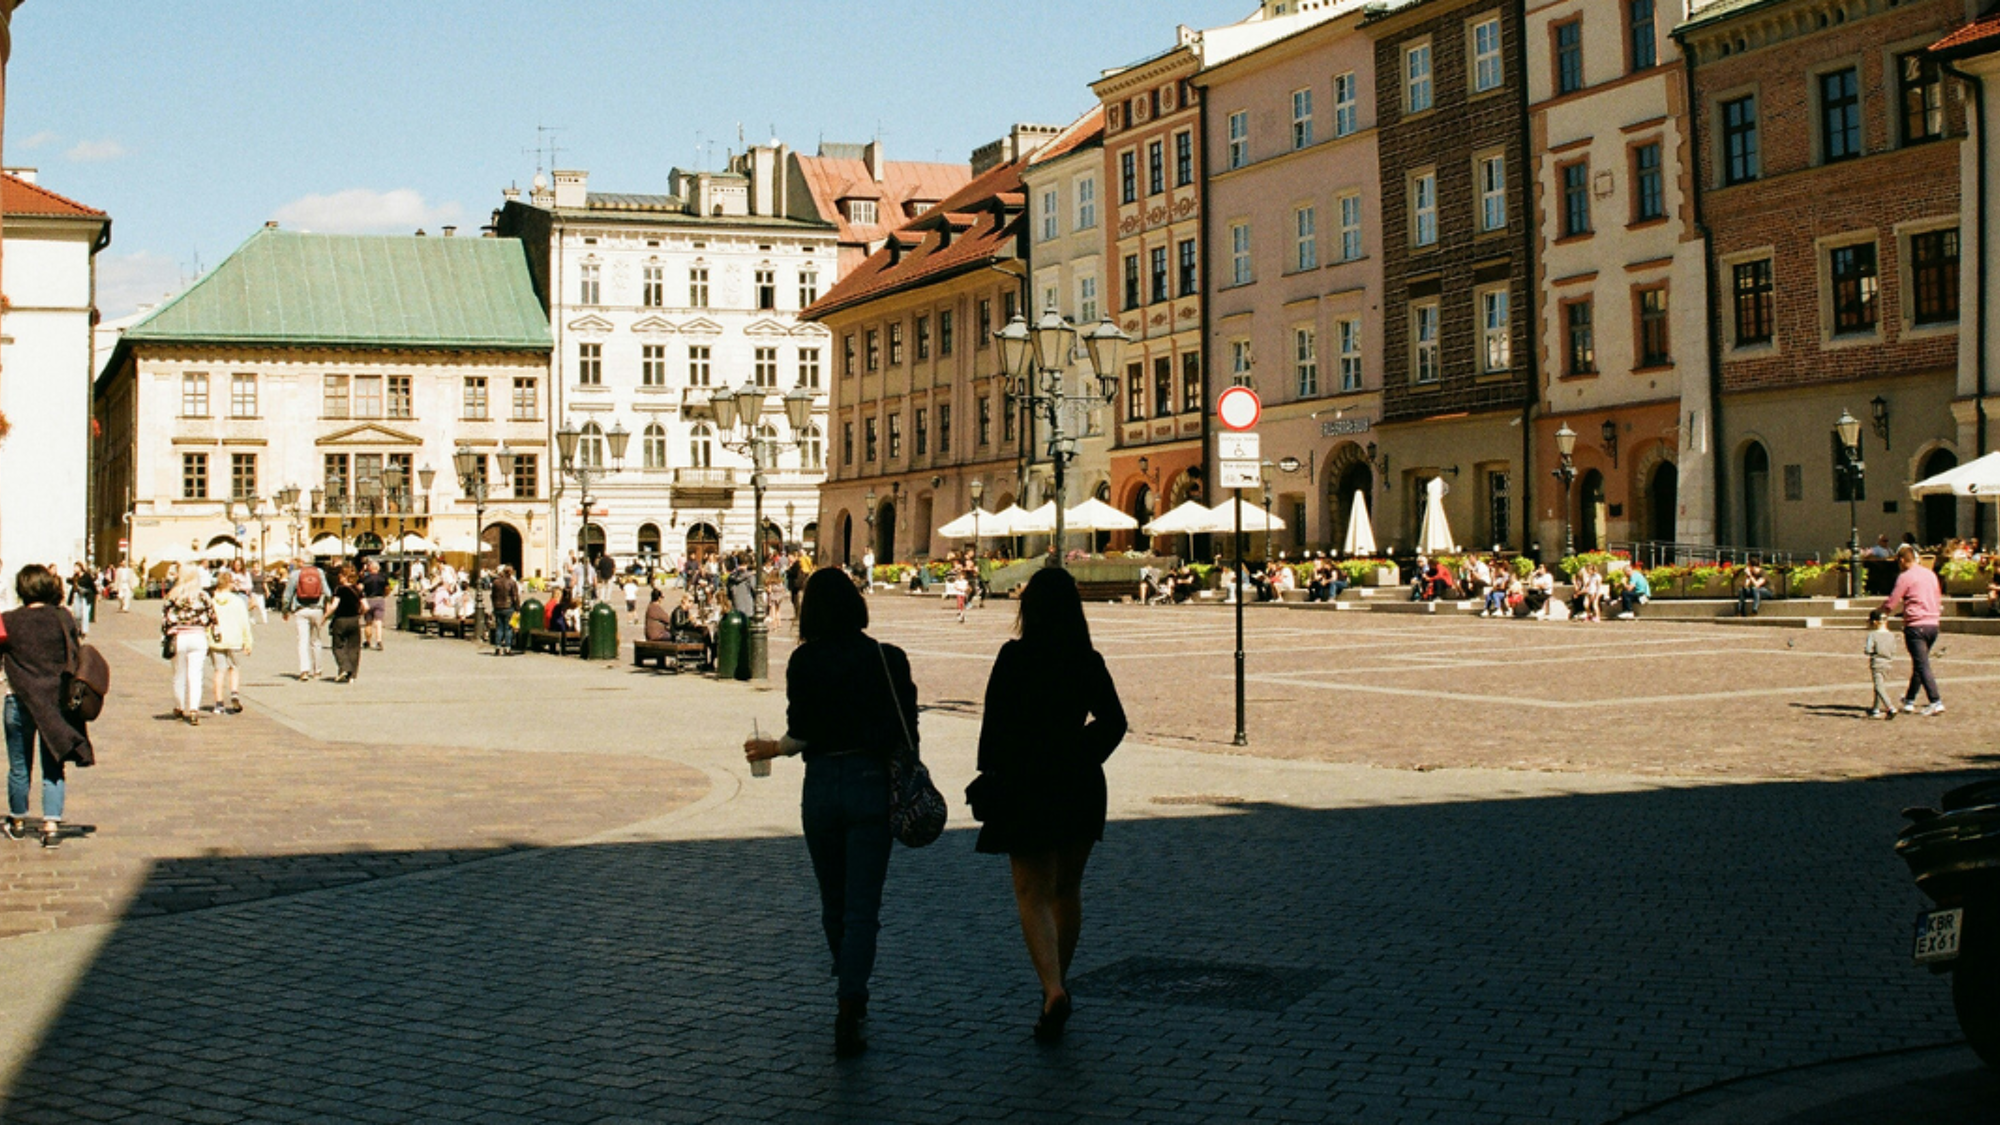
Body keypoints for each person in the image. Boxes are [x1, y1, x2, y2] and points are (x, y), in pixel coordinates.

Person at [742, 568, 918, 1059]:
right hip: (870, 784)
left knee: (833, 901)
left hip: (820, 788)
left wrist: (772, 749)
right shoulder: (888, 659)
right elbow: (907, 733)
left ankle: (847, 981)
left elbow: (803, 735)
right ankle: (851, 1002)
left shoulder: (804, 661)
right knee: (864, 907)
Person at [966, 567, 1127, 1044]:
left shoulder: (1014, 657)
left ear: (1028, 608)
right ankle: (1056, 984)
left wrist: (993, 771)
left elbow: (992, 726)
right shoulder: (1086, 658)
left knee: (1031, 893)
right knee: (1067, 890)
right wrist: (1079, 753)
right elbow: (1114, 722)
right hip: (1079, 786)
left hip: (1025, 784)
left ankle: (1053, 987)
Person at [1, 565, 93, 848]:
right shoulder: (61, 617)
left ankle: (17, 821)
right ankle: (51, 824)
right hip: (54, 702)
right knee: (53, 763)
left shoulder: (7, 620)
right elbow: (75, 653)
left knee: (19, 765)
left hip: (18, 699)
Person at [1881, 545, 1945, 715]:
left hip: (1916, 625)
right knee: (1920, 663)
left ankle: (1935, 700)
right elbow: (1938, 596)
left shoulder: (1905, 577)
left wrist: (1880, 612)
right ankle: (1909, 700)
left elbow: (1893, 601)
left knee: (1922, 664)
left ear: (1902, 560)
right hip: (1933, 623)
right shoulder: (1930, 574)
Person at [162, 568, 218, 725]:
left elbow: (165, 620)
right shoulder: (203, 596)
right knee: (196, 675)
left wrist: (166, 636)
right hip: (198, 636)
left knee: (179, 674)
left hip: (178, 637)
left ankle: (180, 707)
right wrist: (214, 633)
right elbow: (213, 617)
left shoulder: (173, 595)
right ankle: (194, 709)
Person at [208, 571, 255, 714]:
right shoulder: (237, 601)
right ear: (230, 584)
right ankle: (234, 693)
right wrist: (248, 642)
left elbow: (207, 622)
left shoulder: (212, 601)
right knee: (234, 667)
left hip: (216, 640)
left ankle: (219, 704)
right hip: (234, 639)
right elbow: (244, 623)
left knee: (219, 671)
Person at [283, 556, 327, 681]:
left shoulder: (296, 574)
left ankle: (304, 671)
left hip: (301, 610)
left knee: (303, 641)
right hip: (317, 609)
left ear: (302, 562)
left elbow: (287, 595)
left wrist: (285, 610)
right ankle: (317, 671)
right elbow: (327, 592)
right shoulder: (320, 573)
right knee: (316, 641)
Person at [327, 566, 365, 683]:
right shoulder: (358, 589)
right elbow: (366, 606)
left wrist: (325, 617)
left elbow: (334, 606)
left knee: (338, 646)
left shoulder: (340, 589)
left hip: (341, 620)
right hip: (354, 620)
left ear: (344, 576)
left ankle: (344, 667)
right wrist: (359, 613)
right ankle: (352, 675)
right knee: (354, 648)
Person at [1865, 610, 1897, 720]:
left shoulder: (1873, 635)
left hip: (1877, 663)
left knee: (1879, 687)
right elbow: (1893, 650)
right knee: (1880, 685)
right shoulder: (1891, 635)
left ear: (1874, 622)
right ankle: (1875, 709)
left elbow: (1868, 649)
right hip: (1888, 663)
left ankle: (1890, 707)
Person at [360, 559, 389, 651]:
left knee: (368, 622)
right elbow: (387, 588)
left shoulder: (365, 579)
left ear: (370, 568)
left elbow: (360, 588)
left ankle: (368, 641)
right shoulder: (383, 577)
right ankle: (379, 640)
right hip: (379, 599)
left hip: (368, 599)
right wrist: (384, 595)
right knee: (378, 621)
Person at [490, 565, 520, 653]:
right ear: (510, 573)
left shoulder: (496, 582)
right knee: (508, 628)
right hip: (508, 607)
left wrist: (494, 606)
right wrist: (517, 608)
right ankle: (507, 647)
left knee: (499, 627)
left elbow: (492, 596)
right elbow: (515, 596)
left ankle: (498, 646)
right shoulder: (512, 582)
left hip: (498, 608)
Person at [67, 563, 97, 637]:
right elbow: (72, 586)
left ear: (80, 568)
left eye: (76, 567)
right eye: (74, 567)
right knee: (77, 614)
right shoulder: (75, 576)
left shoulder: (86, 576)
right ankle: (78, 628)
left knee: (85, 614)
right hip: (77, 595)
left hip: (86, 596)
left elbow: (92, 585)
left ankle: (84, 631)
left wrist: (96, 594)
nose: (74, 569)